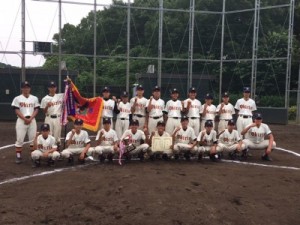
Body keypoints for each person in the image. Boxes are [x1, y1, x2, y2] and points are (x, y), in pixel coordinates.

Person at [11, 81, 40, 164]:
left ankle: (33, 155)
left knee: (33, 138)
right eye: (24, 87)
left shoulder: (34, 98)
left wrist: (31, 118)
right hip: (21, 120)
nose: (26, 89)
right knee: (20, 138)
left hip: (32, 120)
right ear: (21, 88)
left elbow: (36, 109)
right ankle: (18, 156)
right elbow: (16, 110)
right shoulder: (17, 98)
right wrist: (24, 119)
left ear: (30, 88)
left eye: (27, 87)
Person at [40, 81, 64, 148]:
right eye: (51, 87)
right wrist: (47, 106)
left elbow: (69, 92)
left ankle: (57, 148)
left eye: (54, 87)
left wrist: (68, 83)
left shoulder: (60, 96)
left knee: (57, 134)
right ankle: (49, 147)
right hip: (49, 117)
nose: (52, 88)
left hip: (58, 118)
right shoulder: (44, 99)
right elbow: (44, 111)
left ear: (56, 88)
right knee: (49, 133)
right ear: (48, 88)